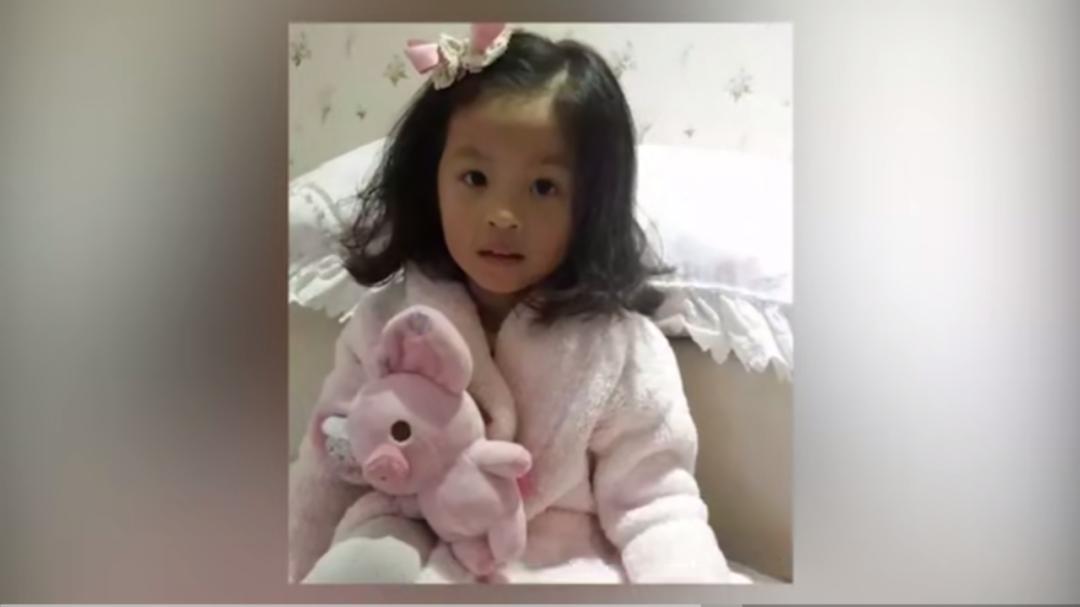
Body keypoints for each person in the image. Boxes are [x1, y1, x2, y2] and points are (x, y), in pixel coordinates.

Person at [289, 23, 734, 584]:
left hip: (550, 554)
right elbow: (328, 468)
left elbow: (658, 504)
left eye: (544, 187)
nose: (503, 215)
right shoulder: (389, 321)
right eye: (475, 177)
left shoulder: (619, 349)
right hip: (399, 527)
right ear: (431, 181)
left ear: (590, 206)